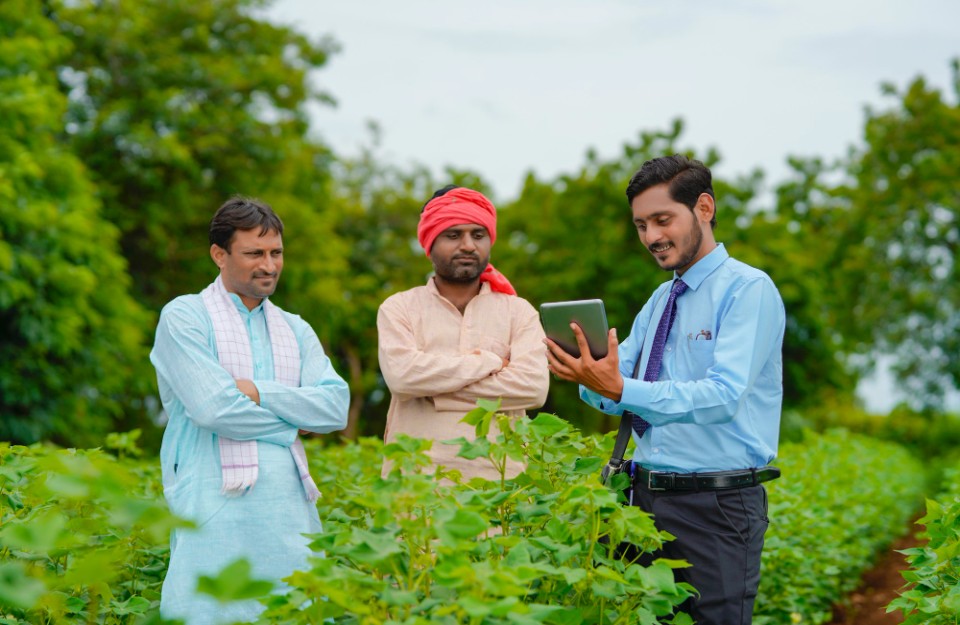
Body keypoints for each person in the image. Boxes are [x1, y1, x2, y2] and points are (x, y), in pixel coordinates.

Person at [544, 155, 785, 624]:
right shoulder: (660, 299)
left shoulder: (747, 290)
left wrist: (619, 387)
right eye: (641, 225)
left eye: (662, 220)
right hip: (646, 502)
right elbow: (619, 386)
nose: (652, 237)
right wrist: (587, 377)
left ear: (704, 208)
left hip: (717, 506)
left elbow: (722, 396)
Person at [150, 196, 349, 624]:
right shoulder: (185, 316)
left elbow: (335, 407)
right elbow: (214, 408)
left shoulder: (295, 328)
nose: (269, 265)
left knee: (295, 610)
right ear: (219, 255)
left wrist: (258, 390)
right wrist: (293, 424)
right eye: (254, 253)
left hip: (287, 511)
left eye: (276, 253)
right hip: (211, 505)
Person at [377, 185, 550, 481]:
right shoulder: (399, 308)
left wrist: (435, 390)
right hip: (414, 487)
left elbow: (533, 388)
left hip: (500, 489)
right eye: (453, 235)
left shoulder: (518, 311)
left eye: (478, 235)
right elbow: (403, 379)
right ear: (429, 242)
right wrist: (490, 362)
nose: (468, 245)